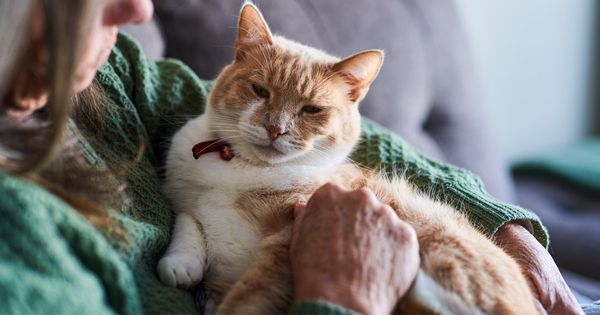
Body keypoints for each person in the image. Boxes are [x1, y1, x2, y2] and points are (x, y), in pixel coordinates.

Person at [0, 0, 588, 314]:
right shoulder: (20, 243)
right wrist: (343, 295)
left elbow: (360, 141)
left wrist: (507, 229)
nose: (139, 9)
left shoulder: (106, 75)